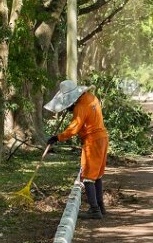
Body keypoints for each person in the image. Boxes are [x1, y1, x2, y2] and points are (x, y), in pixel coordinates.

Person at [45, 79, 108, 219]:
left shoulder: (80, 107)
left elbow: (73, 129)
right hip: (102, 138)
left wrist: (57, 137)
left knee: (88, 177)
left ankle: (95, 210)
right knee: (97, 175)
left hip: (92, 141)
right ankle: (101, 207)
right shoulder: (91, 97)